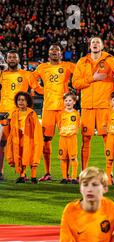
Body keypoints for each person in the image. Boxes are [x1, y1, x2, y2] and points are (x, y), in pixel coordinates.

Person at [72, 37, 114, 170]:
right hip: (87, 106)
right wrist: (92, 78)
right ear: (89, 46)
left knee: (108, 139)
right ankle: (84, 171)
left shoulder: (109, 60)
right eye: (93, 42)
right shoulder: (82, 62)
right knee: (85, 140)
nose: (95, 44)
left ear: (102, 46)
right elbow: (75, 83)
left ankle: (110, 173)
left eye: (98, 42)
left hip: (104, 106)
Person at [33, 44, 76, 182]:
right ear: (48, 53)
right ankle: (47, 172)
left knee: (67, 139)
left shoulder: (68, 66)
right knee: (46, 140)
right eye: (52, 50)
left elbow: (80, 73)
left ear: (61, 54)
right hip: (48, 108)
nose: (54, 53)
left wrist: (74, 88)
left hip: (64, 109)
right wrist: (40, 90)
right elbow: (31, 78)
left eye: (57, 51)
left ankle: (67, 174)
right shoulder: (42, 67)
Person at [0, 50, 43, 181]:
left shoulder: (26, 75)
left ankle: (23, 174)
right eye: (9, 57)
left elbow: (38, 89)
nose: (12, 59)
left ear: (19, 59)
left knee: (22, 144)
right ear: (6, 60)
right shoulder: (1, 75)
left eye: (14, 57)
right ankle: (0, 172)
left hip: (21, 116)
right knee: (2, 143)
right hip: (4, 114)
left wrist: (57, 92)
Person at [6, 92, 43, 184]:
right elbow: (12, 127)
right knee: (20, 156)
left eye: (23, 100)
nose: (20, 102)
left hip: (29, 138)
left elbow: (36, 128)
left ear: (27, 102)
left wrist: (36, 139)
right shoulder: (15, 113)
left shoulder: (31, 113)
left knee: (31, 156)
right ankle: (22, 175)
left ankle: (33, 176)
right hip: (18, 138)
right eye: (19, 100)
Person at [58, 92, 80, 184]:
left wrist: (71, 132)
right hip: (63, 138)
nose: (68, 102)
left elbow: (78, 125)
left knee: (73, 158)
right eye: (66, 100)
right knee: (63, 158)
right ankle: (64, 177)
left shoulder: (76, 114)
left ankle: (74, 177)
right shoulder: (61, 113)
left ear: (74, 102)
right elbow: (59, 125)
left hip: (72, 138)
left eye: (70, 100)